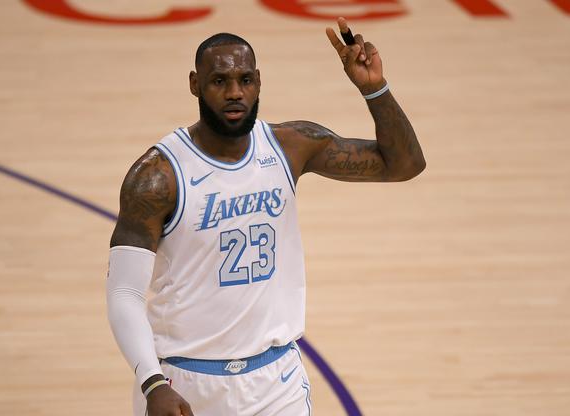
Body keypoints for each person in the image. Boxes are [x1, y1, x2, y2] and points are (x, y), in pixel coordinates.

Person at [106, 17, 425, 416]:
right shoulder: (157, 177)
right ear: (195, 84)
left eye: (245, 79)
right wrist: (152, 382)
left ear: (258, 81)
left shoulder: (290, 147)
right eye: (219, 81)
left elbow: (404, 164)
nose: (234, 92)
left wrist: (374, 88)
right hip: (184, 382)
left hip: (276, 383)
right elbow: (124, 293)